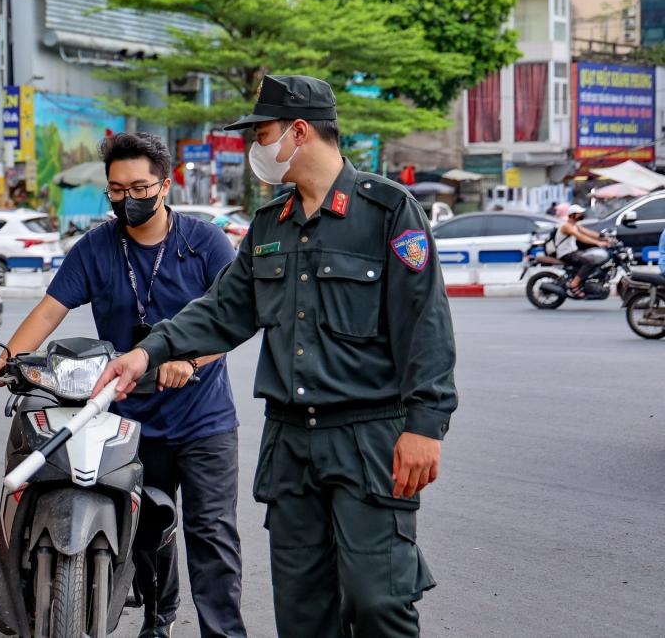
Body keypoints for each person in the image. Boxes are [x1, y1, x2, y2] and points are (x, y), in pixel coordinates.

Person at [94, 75, 456, 638]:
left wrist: (425, 427)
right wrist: (146, 353)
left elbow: (426, 326)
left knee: (377, 597)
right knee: (302, 607)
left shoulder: (388, 213)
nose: (254, 147)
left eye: (261, 133)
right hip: (290, 445)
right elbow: (222, 311)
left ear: (299, 131)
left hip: (368, 438)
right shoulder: (270, 225)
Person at [0, 132, 247, 638]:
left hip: (203, 421)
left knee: (210, 536)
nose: (128, 199)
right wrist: (6, 358)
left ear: (165, 185)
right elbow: (49, 309)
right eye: (116, 190)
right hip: (127, 419)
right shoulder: (97, 248)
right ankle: (157, 619)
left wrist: (189, 359)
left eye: (139, 187)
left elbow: (232, 318)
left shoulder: (204, 242)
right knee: (141, 530)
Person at [554, 204, 611, 298]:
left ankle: (586, 280)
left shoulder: (575, 225)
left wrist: (604, 238)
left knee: (592, 257)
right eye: (579, 214)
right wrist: (598, 243)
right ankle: (574, 284)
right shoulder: (567, 226)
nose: (581, 216)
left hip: (573, 251)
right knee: (588, 263)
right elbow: (581, 237)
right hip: (566, 253)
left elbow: (588, 233)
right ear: (573, 215)